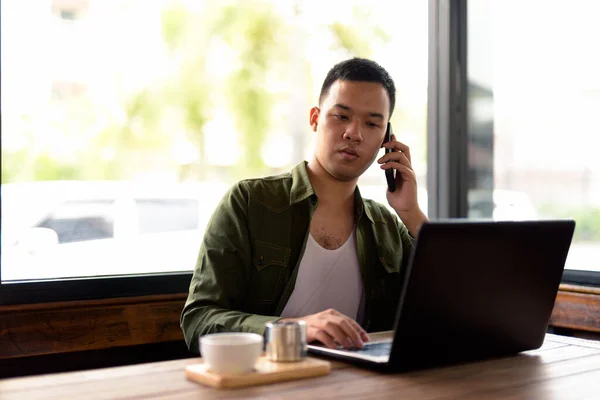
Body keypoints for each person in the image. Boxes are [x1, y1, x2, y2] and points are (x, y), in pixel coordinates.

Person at [181, 57, 428, 353]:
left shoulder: (387, 227)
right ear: (314, 119)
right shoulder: (249, 203)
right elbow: (199, 321)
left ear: (386, 139)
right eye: (341, 116)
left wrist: (410, 212)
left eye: (372, 123)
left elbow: (453, 305)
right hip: (271, 382)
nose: (354, 133)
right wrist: (293, 330)